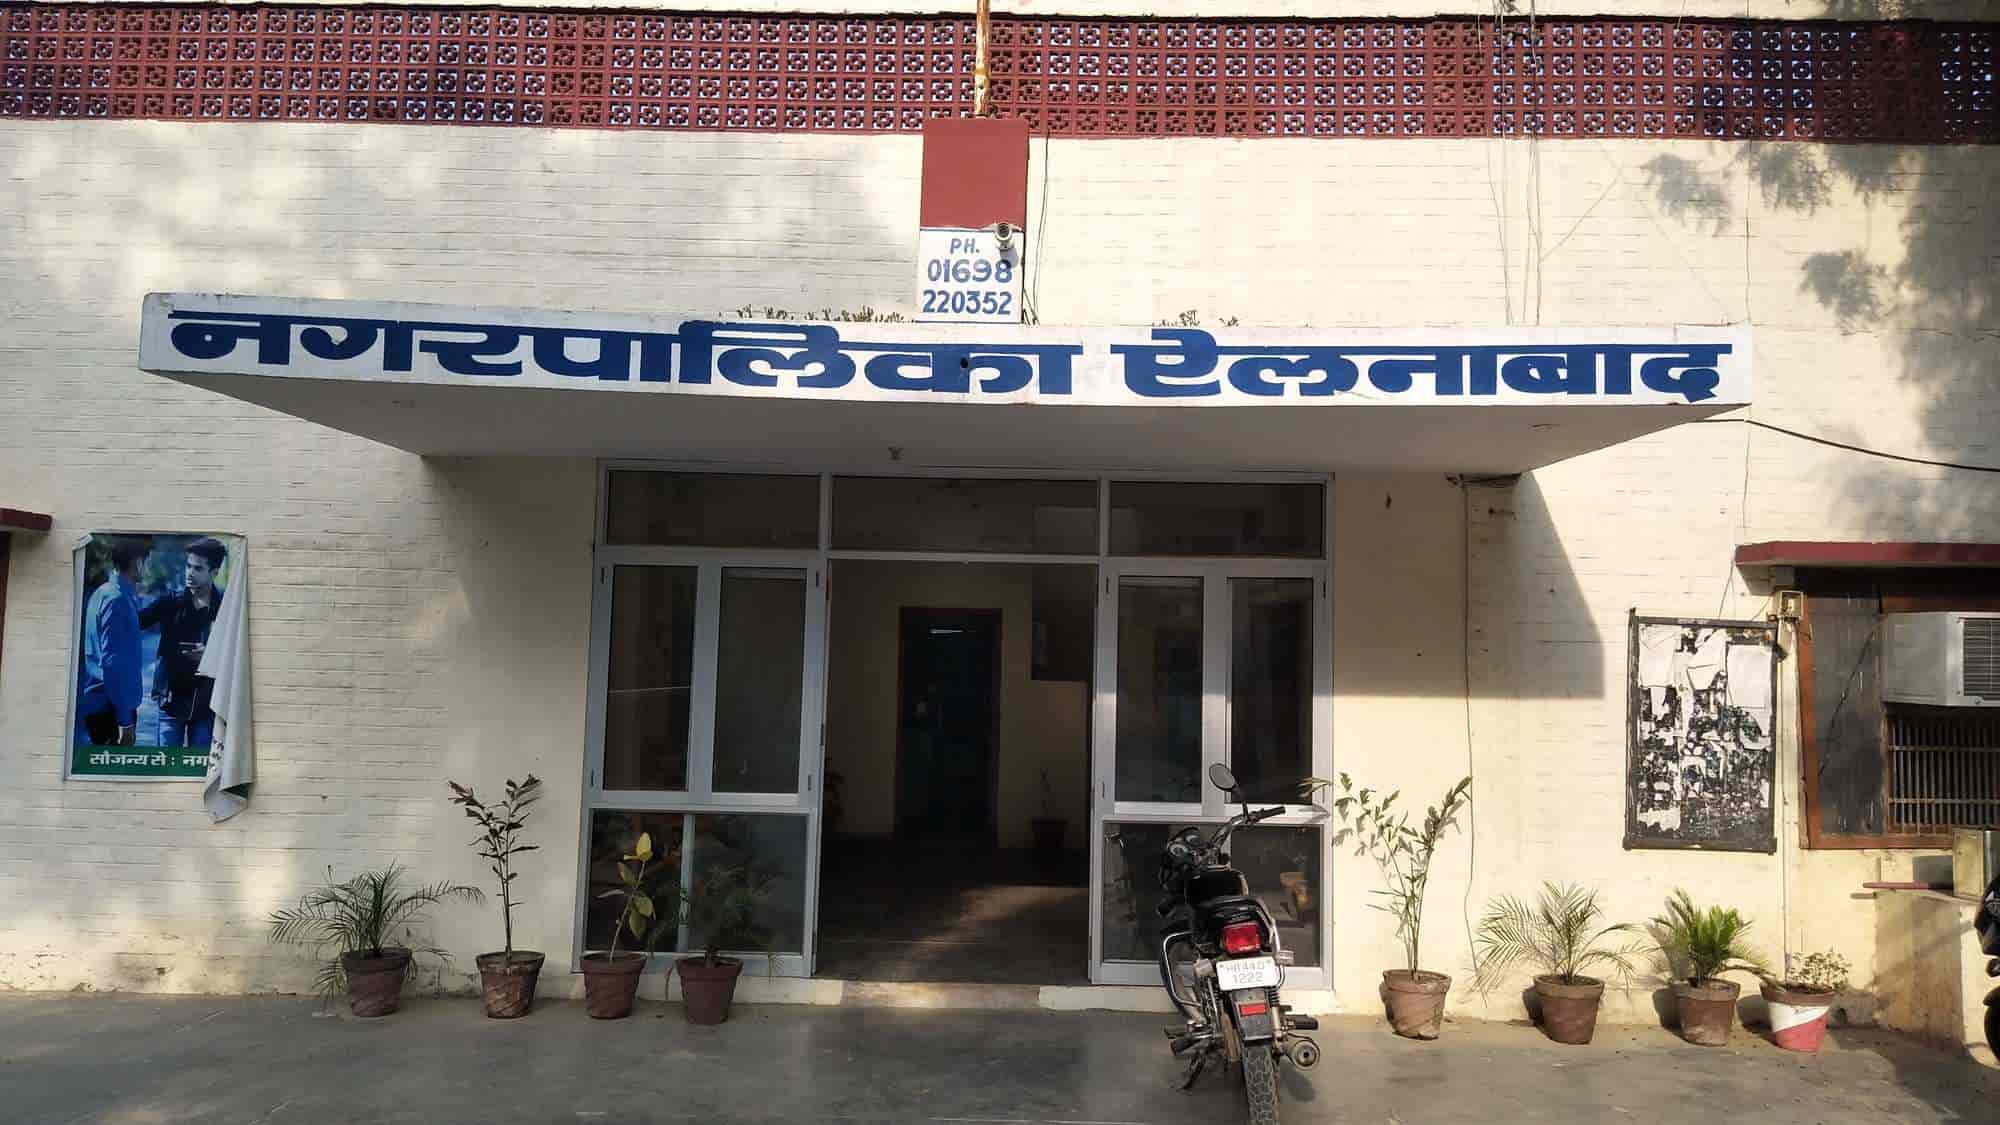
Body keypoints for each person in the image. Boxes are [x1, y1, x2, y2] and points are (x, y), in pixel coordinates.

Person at [140, 537, 227, 752]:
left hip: (206, 704)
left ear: (214, 572)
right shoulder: (171, 601)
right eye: (188, 566)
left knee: (199, 766)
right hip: (171, 702)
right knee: (166, 765)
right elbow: (133, 622)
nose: (190, 573)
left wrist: (210, 655)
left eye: (198, 568)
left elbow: (238, 649)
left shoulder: (226, 606)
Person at [75, 536, 150, 747]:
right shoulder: (116, 599)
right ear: (137, 562)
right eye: (147, 561)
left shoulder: (104, 592)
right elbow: (112, 663)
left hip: (105, 703)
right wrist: (125, 721)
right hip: (111, 709)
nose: (147, 568)